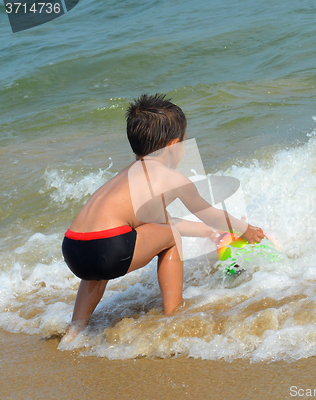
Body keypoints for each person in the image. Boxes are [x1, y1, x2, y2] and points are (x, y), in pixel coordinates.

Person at [61, 94, 265, 342]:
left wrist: (209, 233)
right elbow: (210, 215)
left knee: (99, 270)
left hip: (75, 250)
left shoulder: (127, 176)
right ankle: (174, 312)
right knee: (170, 238)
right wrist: (246, 230)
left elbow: (161, 224)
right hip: (109, 247)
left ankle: (75, 329)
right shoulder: (172, 178)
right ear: (173, 146)